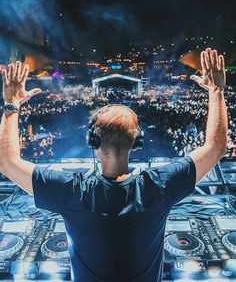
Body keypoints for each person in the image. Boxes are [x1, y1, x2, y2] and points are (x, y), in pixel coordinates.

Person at [0, 48, 227, 282]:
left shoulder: (73, 192)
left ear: (93, 143)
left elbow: (7, 163)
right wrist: (217, 91)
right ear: (136, 142)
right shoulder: (159, 186)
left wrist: (11, 105)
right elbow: (216, 147)